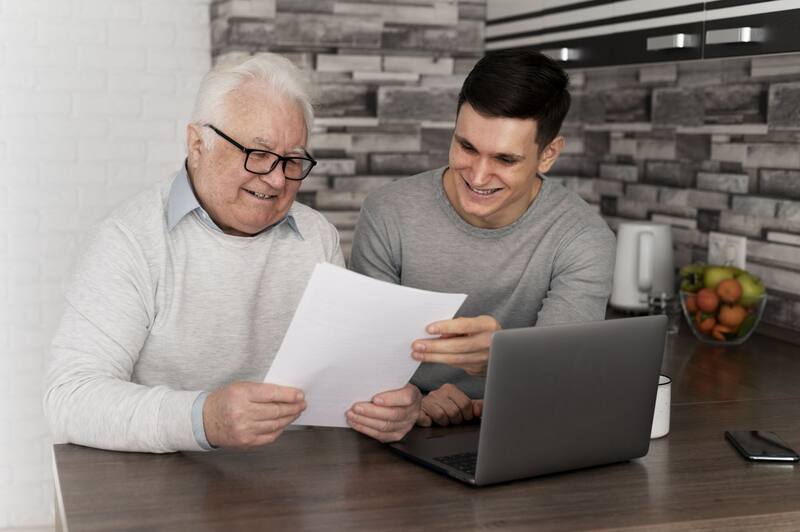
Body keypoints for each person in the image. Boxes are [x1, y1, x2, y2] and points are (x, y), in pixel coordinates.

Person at [43, 53, 421, 453]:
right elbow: (69, 398)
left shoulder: (317, 236)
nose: (276, 179)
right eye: (257, 154)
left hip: (293, 482)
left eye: (292, 159)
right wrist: (204, 418)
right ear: (197, 144)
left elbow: (345, 380)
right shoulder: (129, 241)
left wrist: (390, 405)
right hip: (162, 483)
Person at [350, 50, 615, 428]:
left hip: (523, 428)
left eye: (505, 160)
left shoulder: (583, 238)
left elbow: (565, 376)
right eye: (466, 147)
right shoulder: (387, 213)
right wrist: (411, 401)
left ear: (548, 155)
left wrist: (504, 358)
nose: (477, 176)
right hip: (400, 431)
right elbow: (362, 357)